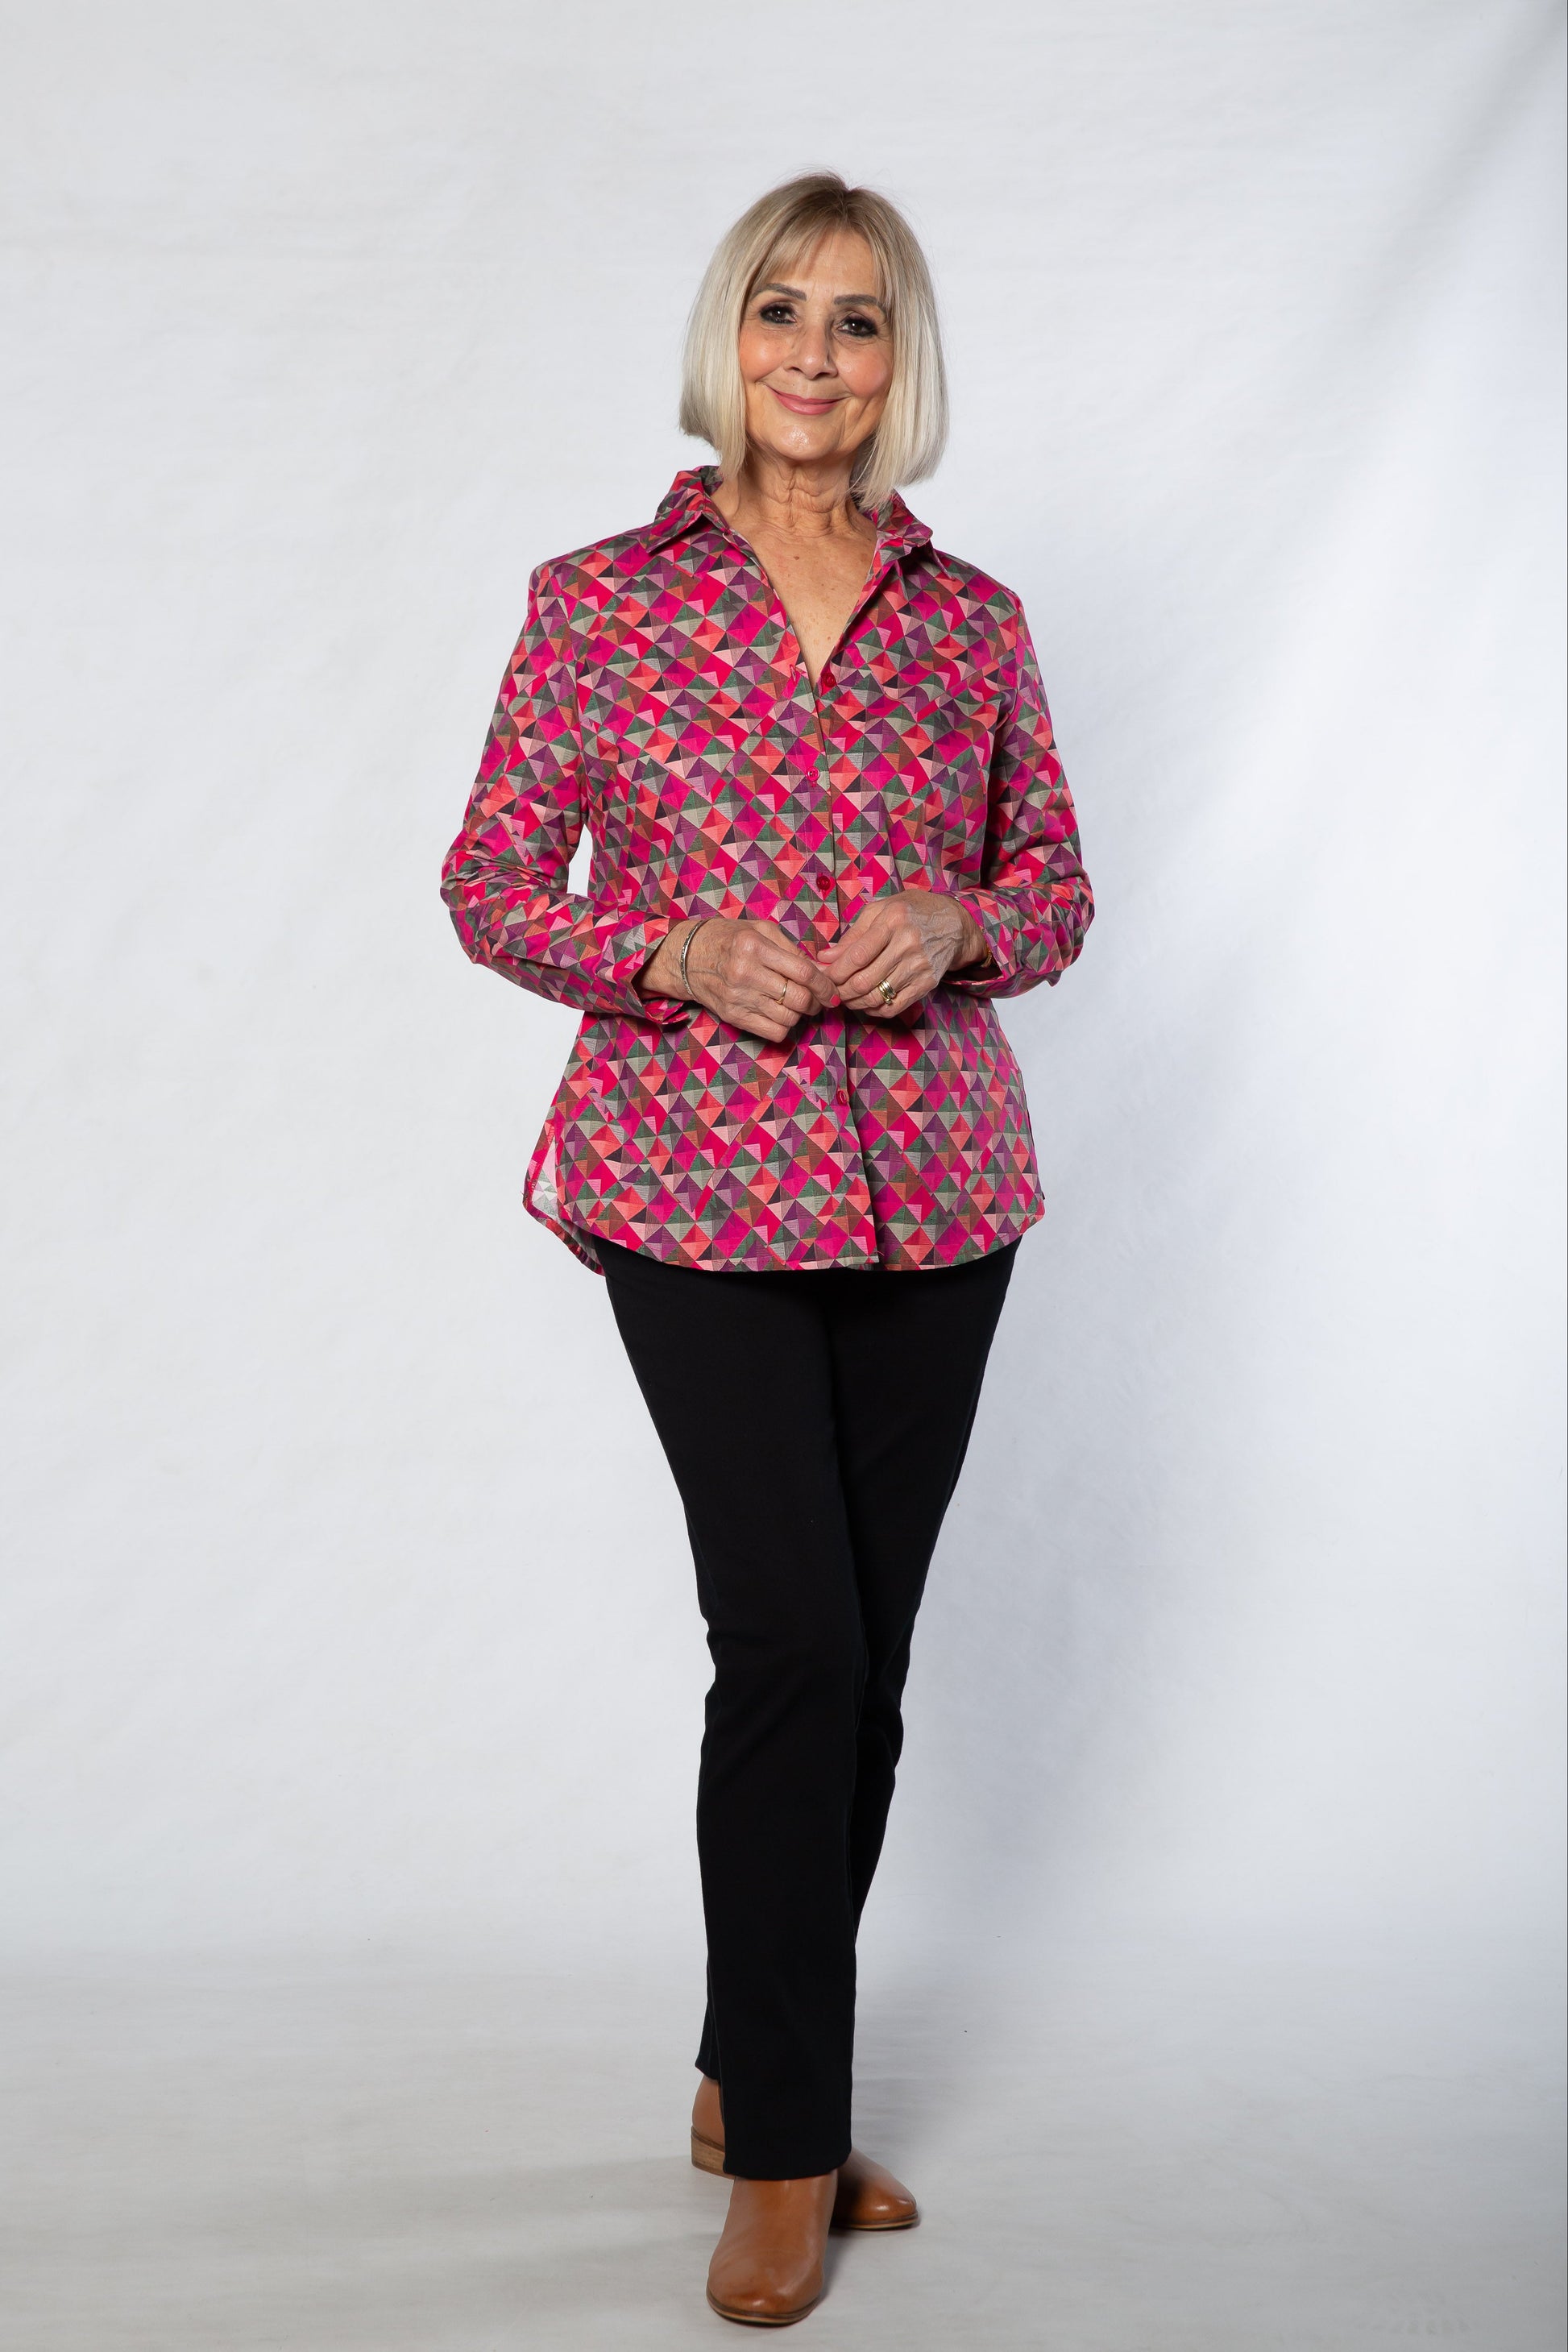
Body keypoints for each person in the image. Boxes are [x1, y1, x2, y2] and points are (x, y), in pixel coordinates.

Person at [441, 171, 1093, 2329]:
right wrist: (666, 951)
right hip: (692, 1186)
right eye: (782, 311)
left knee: (862, 1665)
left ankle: (751, 2069)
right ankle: (793, 2149)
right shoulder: (597, 602)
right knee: (792, 1638)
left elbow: (1057, 889)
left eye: (862, 320)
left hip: (939, 1193)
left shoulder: (971, 622)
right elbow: (491, 883)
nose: (817, 354)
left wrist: (961, 921)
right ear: (729, 339)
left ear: (903, 364)